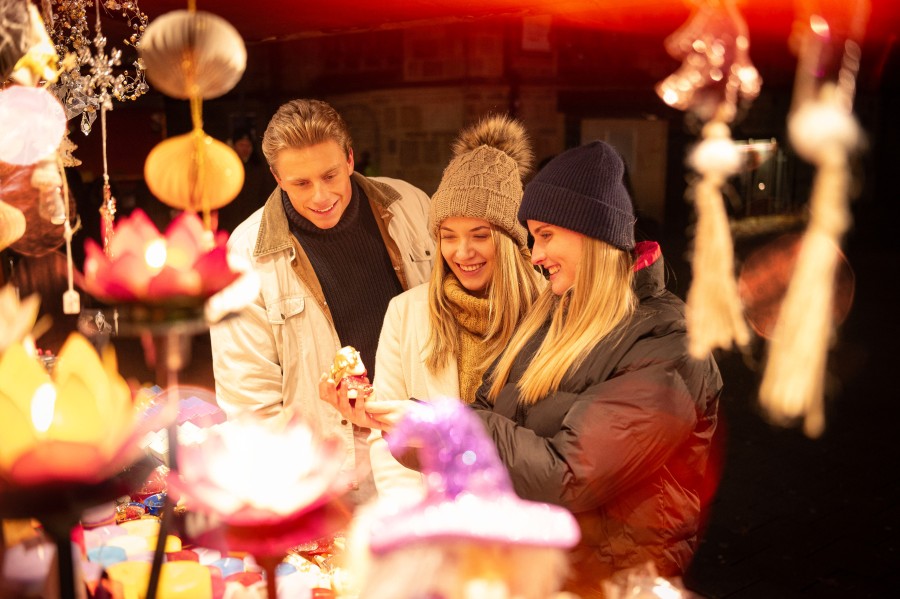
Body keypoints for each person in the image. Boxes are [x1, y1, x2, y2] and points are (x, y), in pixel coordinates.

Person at [468, 141, 723, 595]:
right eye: (532, 238)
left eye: (545, 235)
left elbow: (568, 476)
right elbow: (490, 401)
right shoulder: (551, 312)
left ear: (593, 233)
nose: (534, 255)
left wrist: (450, 428)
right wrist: (409, 429)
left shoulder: (670, 344)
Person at [209, 99, 435, 504]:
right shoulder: (244, 256)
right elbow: (249, 399)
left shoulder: (410, 206)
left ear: (350, 158)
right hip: (330, 470)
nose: (321, 195)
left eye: (330, 174)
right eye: (300, 183)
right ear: (277, 177)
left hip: (422, 442)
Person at [319, 114, 544, 502]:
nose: (462, 252)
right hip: (434, 518)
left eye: (480, 235)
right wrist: (416, 519)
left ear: (509, 239)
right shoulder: (406, 314)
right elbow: (389, 439)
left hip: (523, 518)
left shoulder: (548, 309)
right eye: (447, 236)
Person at [215, 128, 273, 233]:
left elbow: (264, 193)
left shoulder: (258, 167)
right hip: (229, 221)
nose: (245, 149)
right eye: (241, 145)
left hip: (252, 220)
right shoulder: (226, 167)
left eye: (248, 146)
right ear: (234, 145)